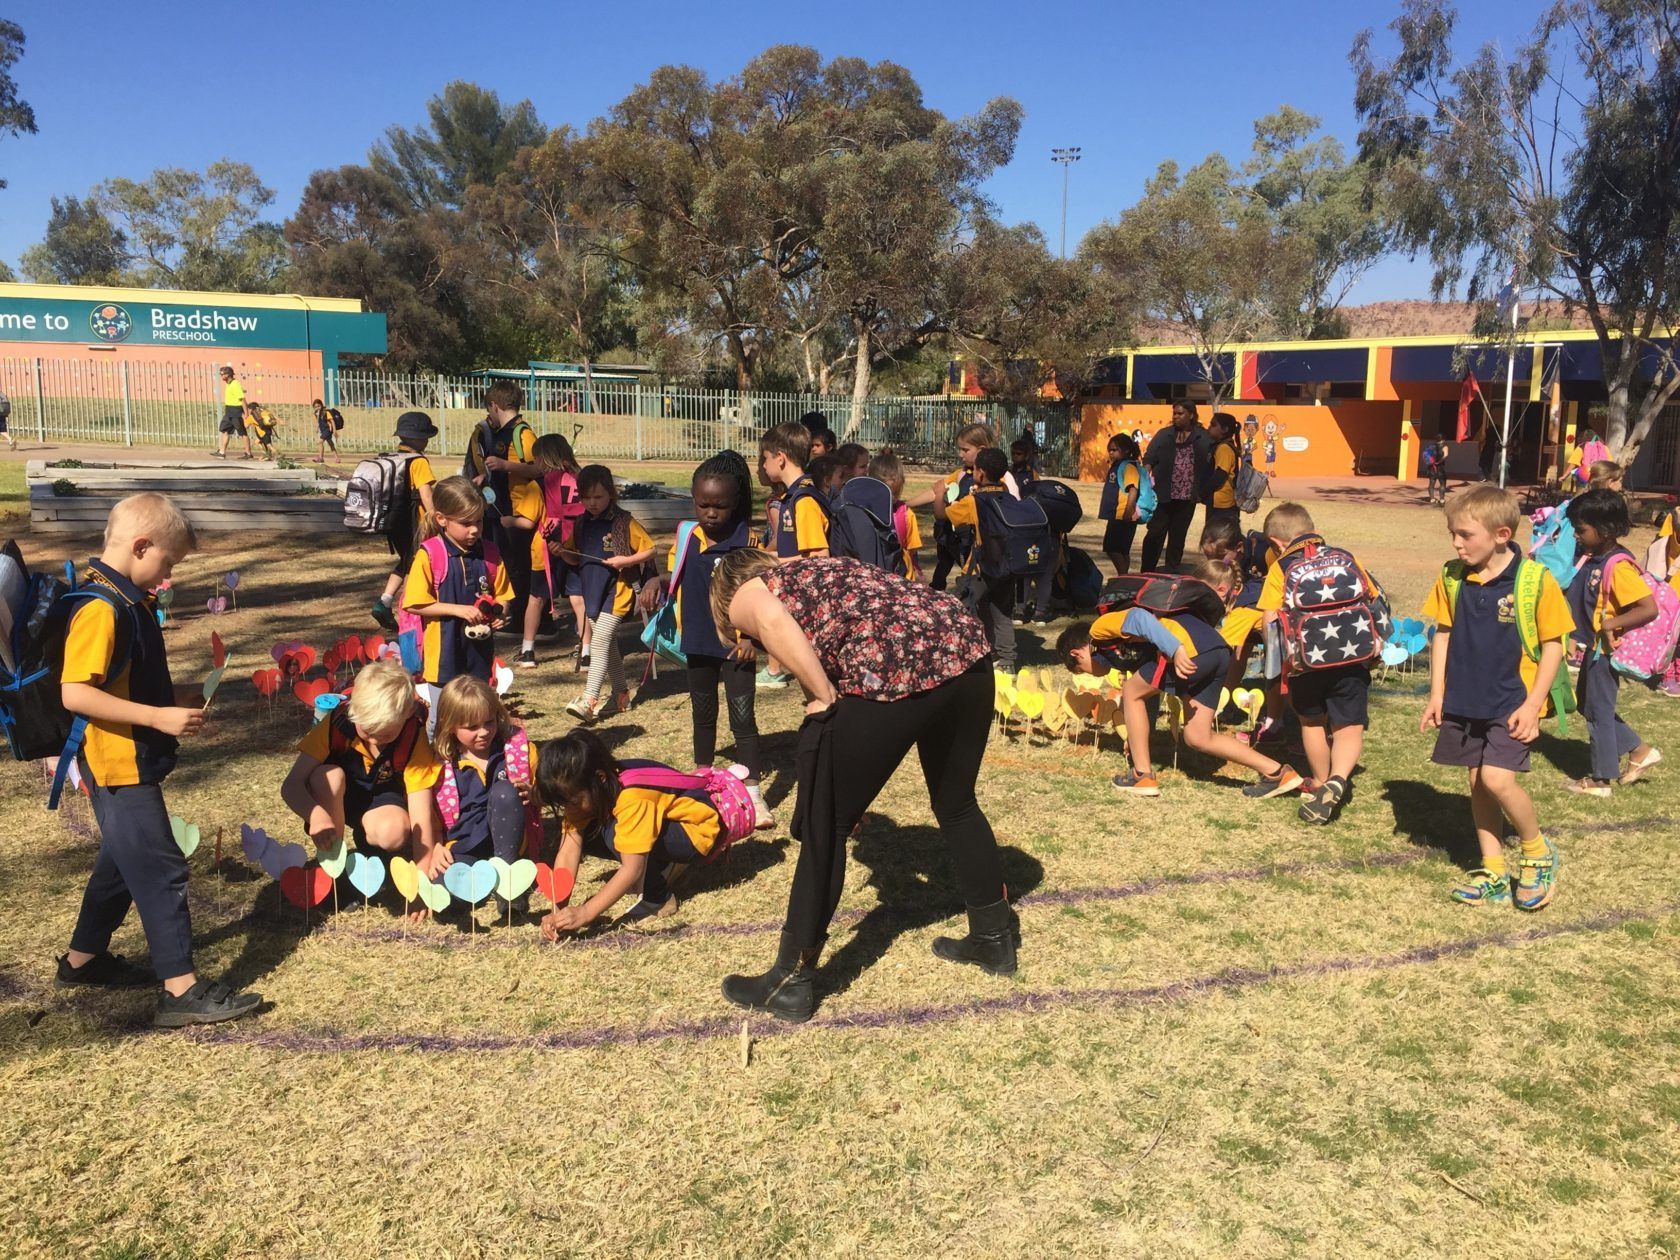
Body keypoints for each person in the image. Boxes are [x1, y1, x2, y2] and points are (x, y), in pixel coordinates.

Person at [708, 551, 1015, 1023]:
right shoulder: (817, 569)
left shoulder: (748, 592)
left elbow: (768, 617)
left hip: (896, 661)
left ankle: (790, 981)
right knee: (956, 803)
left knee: (824, 826)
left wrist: (821, 693)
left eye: (741, 640)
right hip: (965, 649)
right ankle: (994, 939)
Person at [54, 493, 261, 1027]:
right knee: (162, 867)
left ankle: (83, 961)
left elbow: (128, 674)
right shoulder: (101, 608)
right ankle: (180, 989)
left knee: (125, 859)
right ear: (141, 545)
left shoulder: (130, 599)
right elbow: (75, 693)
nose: (167, 575)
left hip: (127, 755)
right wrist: (159, 718)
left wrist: (178, 696)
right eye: (167, 563)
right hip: (116, 762)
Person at [1421, 485, 1572, 909]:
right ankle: (1492, 868)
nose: (1456, 543)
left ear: (1502, 534)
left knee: (1496, 778)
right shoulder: (1452, 576)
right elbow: (1444, 633)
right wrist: (1437, 694)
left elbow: (1554, 644)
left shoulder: (1533, 581)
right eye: (1453, 533)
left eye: (1465, 534)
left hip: (1512, 702)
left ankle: (1538, 854)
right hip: (1465, 699)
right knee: (1477, 782)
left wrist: (1532, 705)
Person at [1057, 559, 1305, 801]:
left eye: (1082, 670)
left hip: (1190, 651)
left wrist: (1175, 649)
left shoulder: (1099, 629)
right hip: (1217, 652)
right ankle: (1276, 772)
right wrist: (1137, 738)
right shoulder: (1124, 654)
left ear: (1077, 653)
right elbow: (1147, 696)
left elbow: (1139, 618)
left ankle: (1142, 775)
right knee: (1198, 737)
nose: (1093, 674)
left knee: (1131, 691)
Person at [637, 451, 774, 829]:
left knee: (743, 718)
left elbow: (762, 591)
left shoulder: (750, 539)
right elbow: (676, 577)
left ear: (736, 503)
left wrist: (751, 637)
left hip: (736, 645)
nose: (710, 513)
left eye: (720, 506)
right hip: (696, 640)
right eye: (702, 504)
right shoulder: (687, 535)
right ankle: (703, 779)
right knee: (703, 712)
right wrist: (655, 582)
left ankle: (754, 794)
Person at [1255, 502, 1377, 823]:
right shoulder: (1346, 557)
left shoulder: (1280, 568)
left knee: (1312, 724)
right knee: (1348, 729)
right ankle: (1339, 780)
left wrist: (1275, 668)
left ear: (1278, 543)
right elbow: (1373, 598)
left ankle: (1322, 782)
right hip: (1353, 657)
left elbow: (1271, 624)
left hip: (1305, 662)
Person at [537, 730, 724, 932]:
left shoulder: (631, 799)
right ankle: (661, 866)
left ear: (599, 778)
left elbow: (631, 869)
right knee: (588, 835)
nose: (568, 809)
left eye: (572, 802)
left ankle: (657, 899)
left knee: (614, 832)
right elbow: (568, 850)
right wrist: (558, 911)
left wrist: (585, 913)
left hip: (696, 831)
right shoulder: (589, 784)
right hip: (664, 821)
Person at [282, 659, 446, 879]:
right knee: (328, 777)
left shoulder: (413, 736)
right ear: (352, 709)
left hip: (381, 797)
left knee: (394, 833)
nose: (377, 739)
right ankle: (333, 865)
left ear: (406, 715)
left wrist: (421, 879)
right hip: (334, 796)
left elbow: (421, 812)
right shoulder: (336, 725)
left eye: (386, 733)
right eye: (367, 731)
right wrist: (317, 816)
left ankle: (368, 851)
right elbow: (291, 785)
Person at [1561, 489, 1662, 795]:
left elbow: (1648, 607)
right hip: (1594, 648)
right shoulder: (1594, 558)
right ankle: (1639, 750)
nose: (1577, 536)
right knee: (1588, 705)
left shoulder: (1618, 566)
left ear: (1604, 531)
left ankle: (1601, 779)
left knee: (1599, 712)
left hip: (1607, 652)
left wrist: (1611, 624)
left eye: (1581, 530)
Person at [402, 475, 514, 708]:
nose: (474, 530)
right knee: (441, 719)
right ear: (442, 519)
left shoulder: (490, 554)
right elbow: (414, 603)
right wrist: (458, 610)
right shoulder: (430, 554)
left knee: (477, 712)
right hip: (443, 658)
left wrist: (501, 613)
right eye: (465, 523)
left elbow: (503, 595)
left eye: (479, 522)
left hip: (480, 656)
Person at [565, 464, 654, 724]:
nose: (592, 503)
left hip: (619, 589)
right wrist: (560, 550)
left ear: (611, 494)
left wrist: (625, 562)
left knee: (601, 638)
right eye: (586, 498)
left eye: (598, 497)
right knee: (609, 644)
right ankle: (620, 694)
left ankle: (590, 698)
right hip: (592, 588)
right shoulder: (581, 523)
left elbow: (649, 550)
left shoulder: (624, 521)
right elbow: (572, 556)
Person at [428, 675, 538, 870]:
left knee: (505, 792)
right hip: (465, 845)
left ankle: (507, 878)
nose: (484, 732)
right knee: (445, 888)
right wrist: (436, 845)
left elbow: (545, 793)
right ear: (450, 725)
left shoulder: (516, 751)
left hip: (512, 841)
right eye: (472, 727)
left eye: (489, 722)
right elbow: (432, 817)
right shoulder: (440, 765)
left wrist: (534, 794)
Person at [933, 446, 1026, 668]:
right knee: (1001, 613)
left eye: (975, 468)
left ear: (980, 473)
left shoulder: (974, 501)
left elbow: (943, 515)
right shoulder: (1008, 497)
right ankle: (1007, 661)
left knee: (960, 609)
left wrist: (939, 495)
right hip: (1007, 566)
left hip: (980, 568)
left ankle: (961, 656)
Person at [464, 381, 540, 645]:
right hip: (500, 510)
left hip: (518, 511)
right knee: (506, 563)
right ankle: (512, 614)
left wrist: (505, 464)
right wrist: (485, 476)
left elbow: (538, 469)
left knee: (519, 566)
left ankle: (525, 620)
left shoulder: (522, 433)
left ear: (495, 406)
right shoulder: (503, 433)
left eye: (490, 409)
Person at [757, 421, 830, 690]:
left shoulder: (805, 501)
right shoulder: (791, 496)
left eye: (765, 459)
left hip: (812, 603)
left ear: (781, 458)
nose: (763, 466)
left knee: (816, 678)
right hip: (796, 596)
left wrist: (771, 563)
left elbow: (819, 558)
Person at [519, 433, 586, 671]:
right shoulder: (581, 479)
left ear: (543, 458)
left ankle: (527, 650)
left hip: (545, 548)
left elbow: (527, 522)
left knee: (536, 599)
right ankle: (587, 652)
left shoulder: (538, 484)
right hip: (577, 545)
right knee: (579, 599)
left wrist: (506, 521)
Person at [905, 422, 999, 591]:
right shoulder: (961, 473)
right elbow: (936, 492)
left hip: (973, 541)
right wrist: (906, 505)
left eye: (965, 450)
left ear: (982, 449)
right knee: (942, 566)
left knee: (970, 575)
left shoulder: (998, 476)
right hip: (951, 535)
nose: (960, 454)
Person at [372, 412, 439, 632]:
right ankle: (407, 610)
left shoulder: (393, 458)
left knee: (406, 561)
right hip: (415, 523)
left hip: (395, 522)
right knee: (416, 564)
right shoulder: (418, 461)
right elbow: (426, 493)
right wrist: (436, 519)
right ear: (419, 438)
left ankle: (385, 601)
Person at [1140, 400, 1214, 572]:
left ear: (1192, 415)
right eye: (1174, 413)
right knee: (1155, 534)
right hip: (1162, 495)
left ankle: (1171, 571)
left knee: (1177, 537)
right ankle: (1147, 571)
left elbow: (1213, 460)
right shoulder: (1164, 435)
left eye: (1180, 413)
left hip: (1187, 497)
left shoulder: (1203, 437)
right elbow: (1149, 458)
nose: (1176, 417)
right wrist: (1145, 480)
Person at [869, 449, 923, 581]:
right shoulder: (863, 512)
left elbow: (912, 551)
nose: (891, 498)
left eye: (895, 493)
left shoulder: (906, 514)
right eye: (885, 492)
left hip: (902, 577)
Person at [1099, 432, 1145, 578]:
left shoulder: (1127, 467)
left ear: (1125, 450)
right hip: (1118, 514)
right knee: (1122, 549)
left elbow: (1133, 489)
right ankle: (1124, 577)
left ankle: (1123, 576)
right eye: (1110, 450)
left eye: (1115, 450)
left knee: (1112, 548)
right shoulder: (1118, 466)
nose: (1111, 453)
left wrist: (1128, 510)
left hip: (1122, 515)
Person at [1204, 412, 1242, 535]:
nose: (1209, 427)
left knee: (1217, 538)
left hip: (1222, 503)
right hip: (1220, 501)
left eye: (1213, 425)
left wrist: (1203, 491)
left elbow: (1220, 474)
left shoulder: (1224, 448)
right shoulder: (1221, 446)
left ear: (1225, 429)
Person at [213, 366, 255, 460]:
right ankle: (222, 452)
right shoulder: (229, 384)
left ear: (227, 375)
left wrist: (246, 414)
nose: (221, 376)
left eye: (222, 374)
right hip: (229, 411)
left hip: (236, 412)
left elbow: (242, 400)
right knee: (225, 430)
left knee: (243, 433)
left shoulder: (236, 384)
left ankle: (248, 453)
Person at [1422, 435, 1450, 505]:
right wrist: (1439, 461)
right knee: (1442, 484)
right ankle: (1442, 499)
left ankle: (1432, 499)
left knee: (1431, 484)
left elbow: (1426, 455)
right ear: (1443, 440)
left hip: (1432, 467)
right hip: (1440, 467)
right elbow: (1445, 455)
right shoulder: (1445, 446)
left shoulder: (1432, 446)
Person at [312, 399, 342, 463]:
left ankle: (320, 458)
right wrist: (317, 428)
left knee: (320, 442)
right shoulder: (316, 413)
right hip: (323, 430)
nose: (317, 408)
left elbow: (332, 421)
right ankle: (337, 458)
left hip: (328, 430)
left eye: (319, 406)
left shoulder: (326, 412)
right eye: (315, 407)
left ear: (322, 405)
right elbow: (319, 422)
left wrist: (334, 430)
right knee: (331, 444)